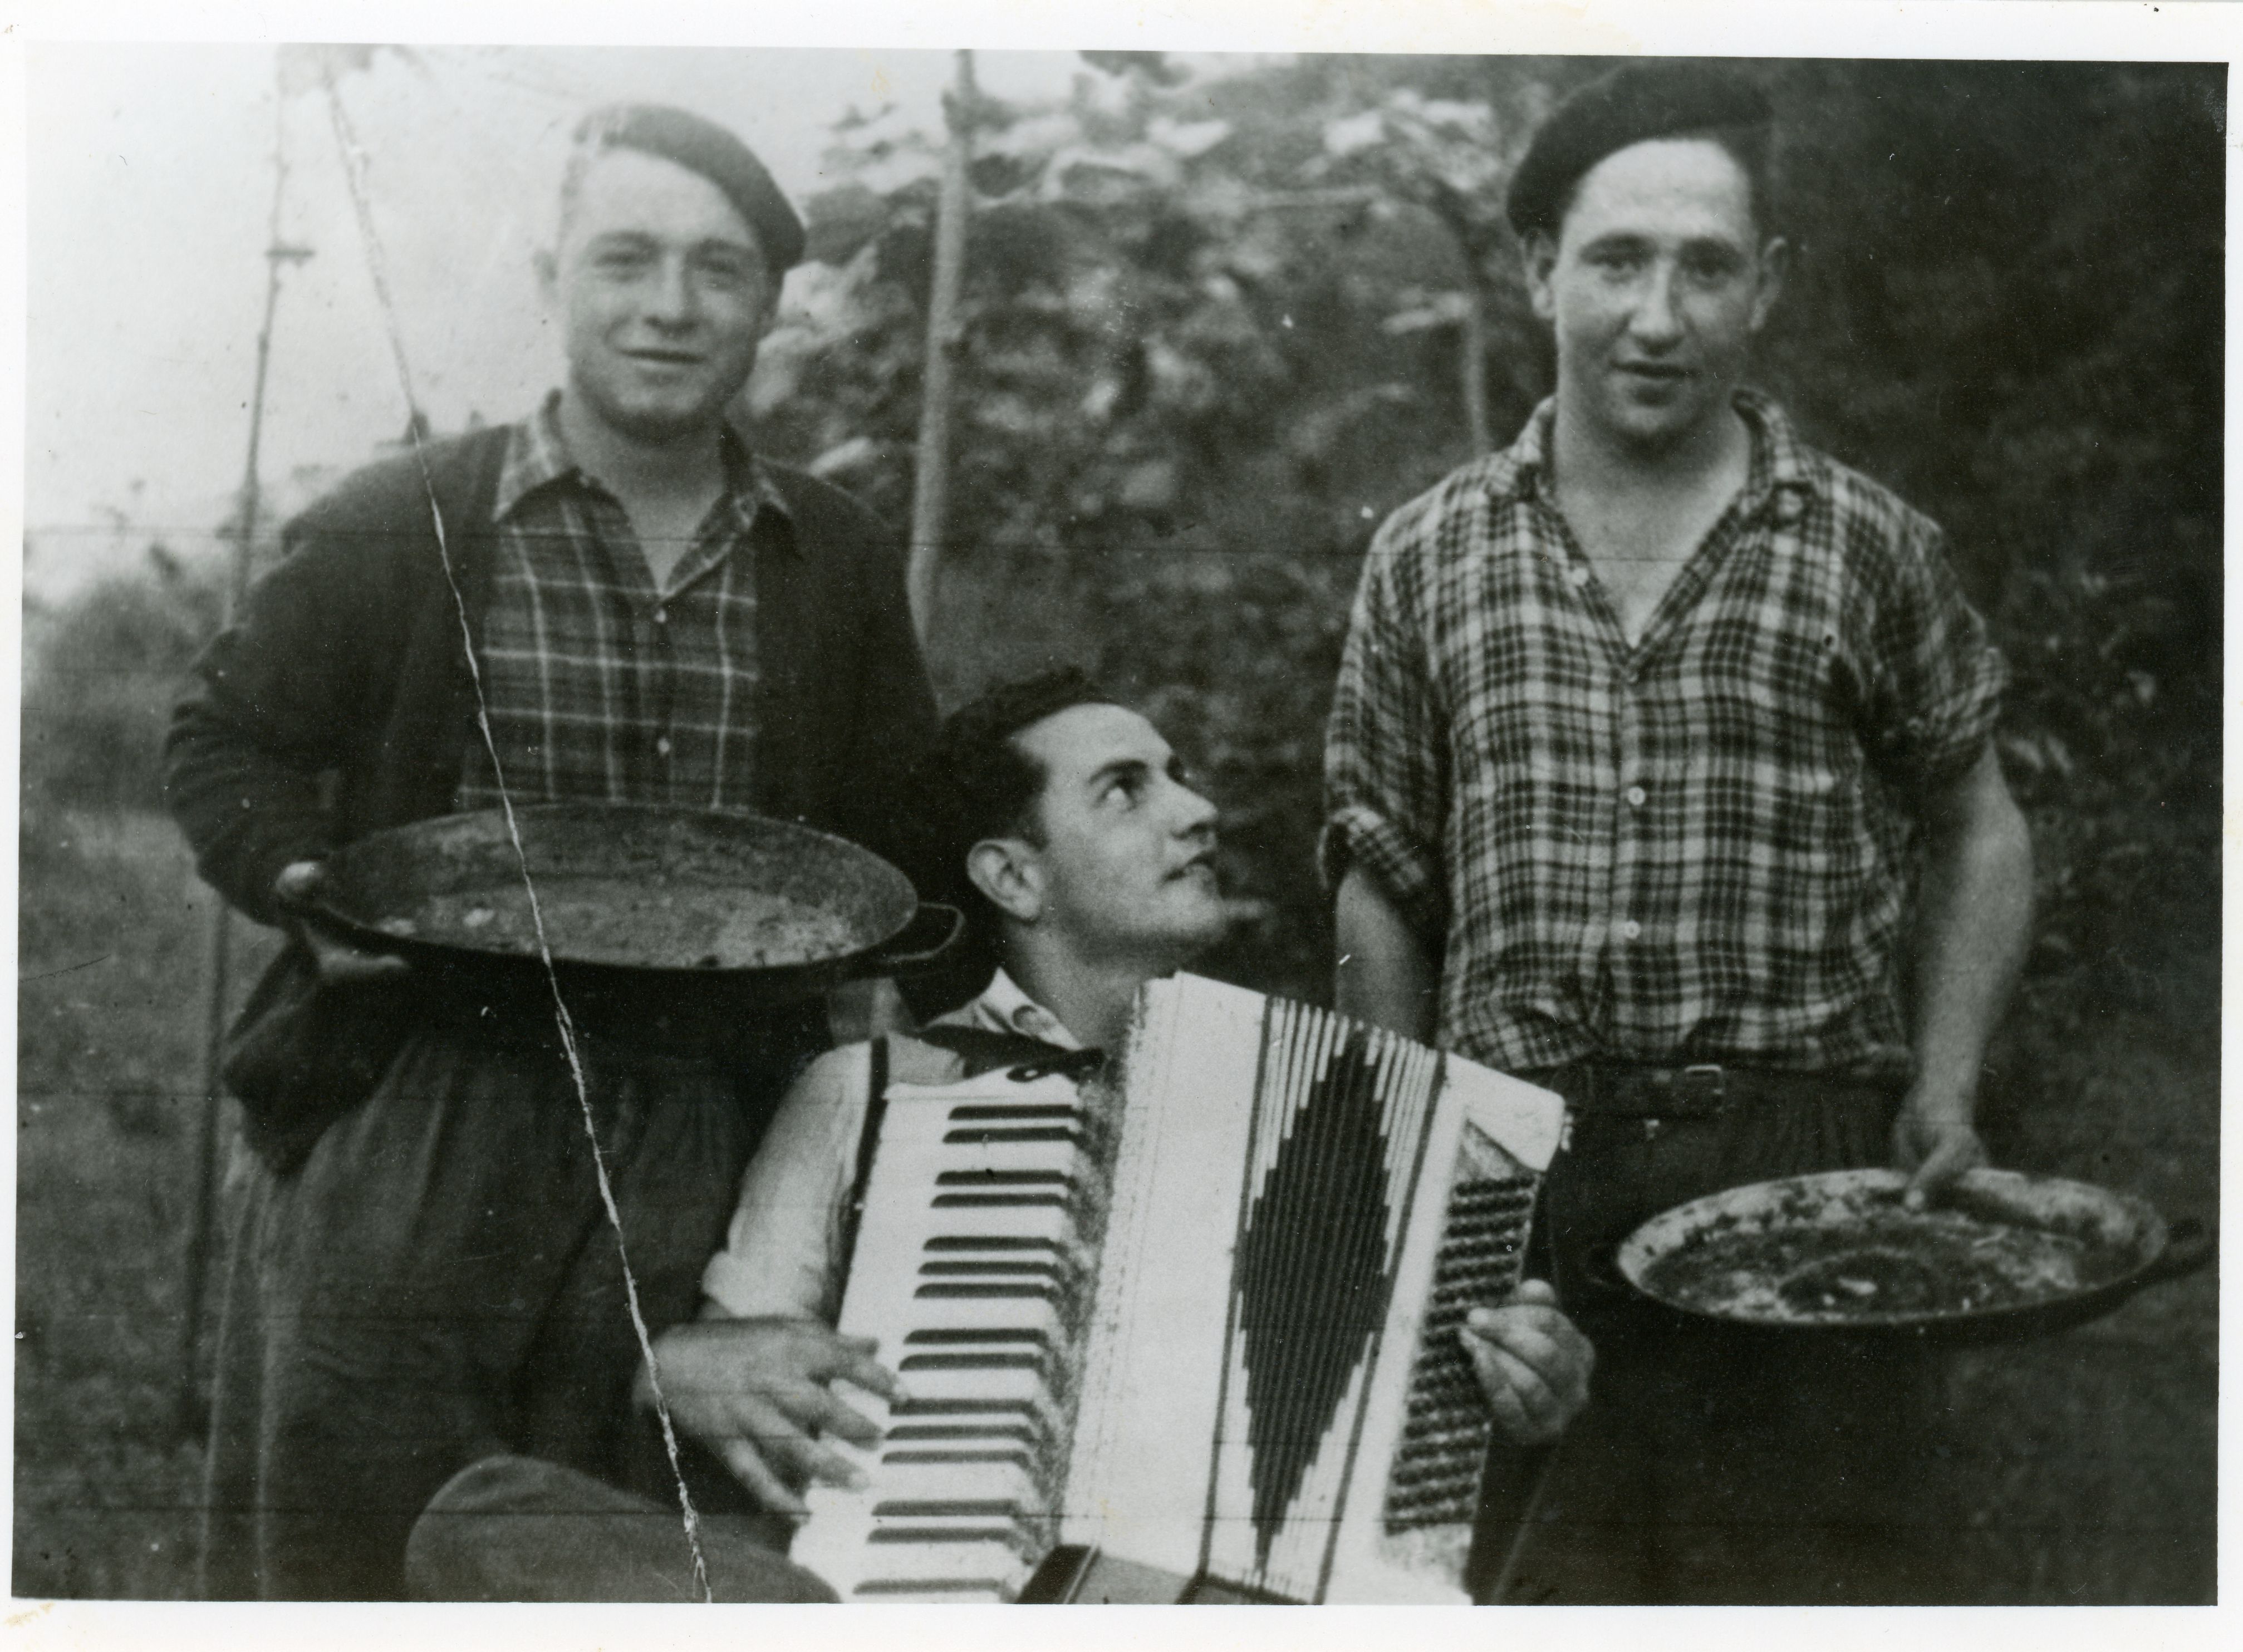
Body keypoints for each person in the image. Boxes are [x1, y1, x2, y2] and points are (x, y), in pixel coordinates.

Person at [165, 104, 936, 1600]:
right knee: (363, 1541)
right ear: (552, 278)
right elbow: (224, 735)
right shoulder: (410, 517)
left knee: (617, 1547)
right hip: (422, 1104)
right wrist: (302, 881)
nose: (669, 306)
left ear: (768, 305)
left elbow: (895, 823)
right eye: (625, 259)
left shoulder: (831, 552)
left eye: (717, 269)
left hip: (703, 1120)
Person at [405, 670, 1594, 1601]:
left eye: (1179, 777)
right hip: (901, 1598)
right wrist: (683, 1364)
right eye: (1125, 789)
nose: (1196, 811)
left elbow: (1408, 1449)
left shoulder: (1323, 1109)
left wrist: (1522, 1378)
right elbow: (737, 1375)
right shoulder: (865, 1090)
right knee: (487, 1515)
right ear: (1012, 877)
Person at [1322, 64, 2034, 1604]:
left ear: (1763, 285)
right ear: (1538, 270)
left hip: (1796, 1163)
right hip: (1519, 1168)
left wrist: (1941, 1084)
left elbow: (1976, 827)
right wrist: (1410, 1167)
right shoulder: (1428, 552)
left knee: (1809, 1590)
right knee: (1518, 1588)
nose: (1656, 316)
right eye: (1614, 261)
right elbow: (1380, 877)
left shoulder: (1863, 542)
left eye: (1704, 267)